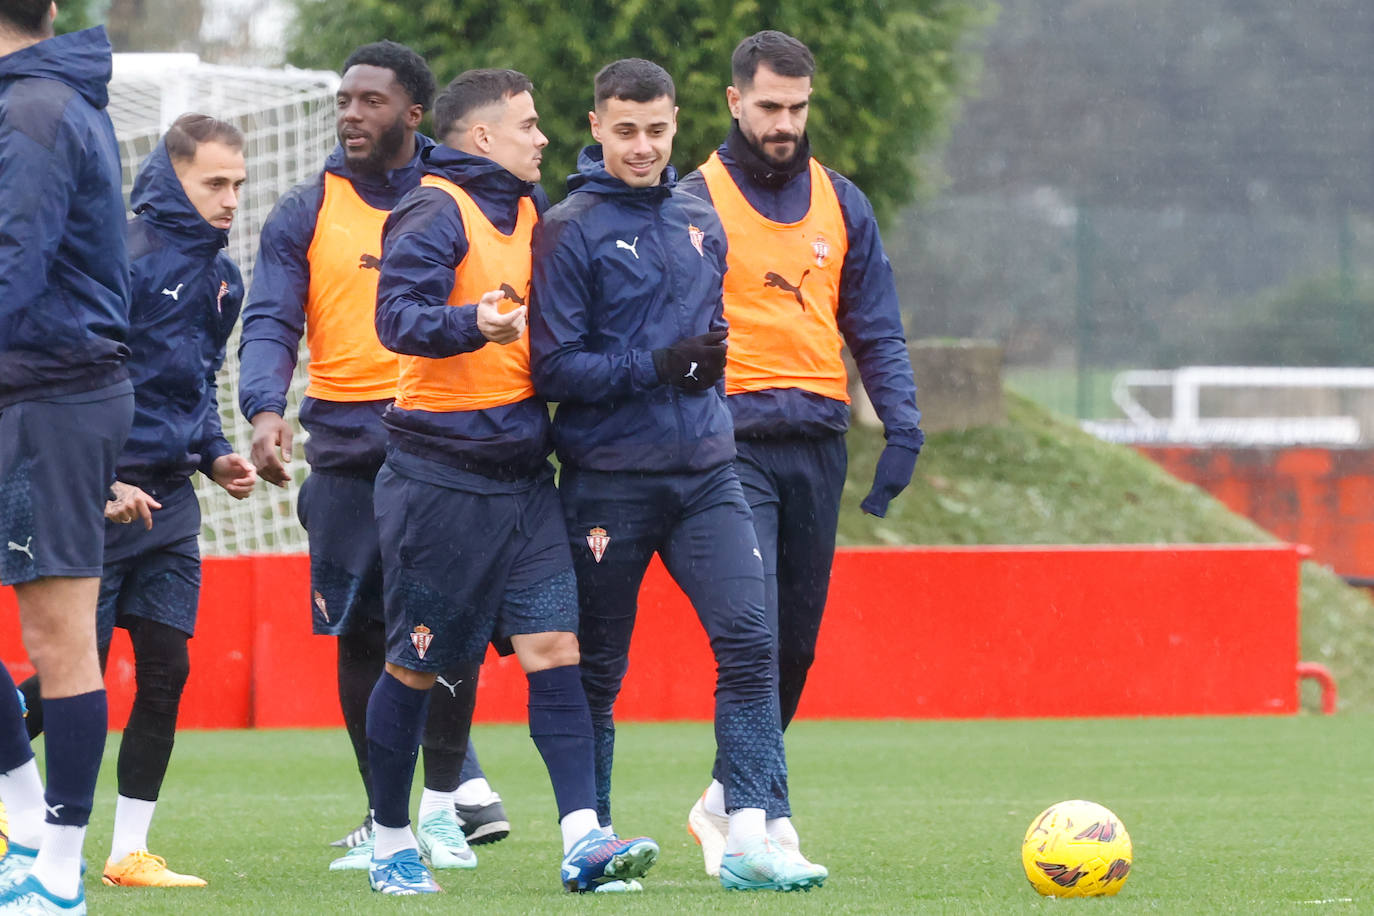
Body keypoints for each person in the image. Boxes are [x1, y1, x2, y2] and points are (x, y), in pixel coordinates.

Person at [529, 57, 827, 893]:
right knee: (597, 670)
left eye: (657, 130)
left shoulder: (700, 215)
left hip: (706, 472)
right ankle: (593, 843)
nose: (643, 146)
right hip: (607, 482)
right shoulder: (569, 226)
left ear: (676, 124)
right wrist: (658, 366)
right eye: (625, 130)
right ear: (595, 127)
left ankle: (750, 836)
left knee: (752, 642)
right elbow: (554, 368)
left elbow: (713, 337)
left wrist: (701, 380)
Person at [365, 67, 659, 896]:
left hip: (525, 479)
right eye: (527, 124)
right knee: (416, 669)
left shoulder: (531, 210)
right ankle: (390, 839)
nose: (542, 137)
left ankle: (582, 840)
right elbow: (396, 320)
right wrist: (474, 324)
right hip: (439, 482)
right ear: (483, 136)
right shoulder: (433, 207)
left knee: (555, 650)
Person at [236, 41, 504, 869]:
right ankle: (385, 815)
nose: (352, 113)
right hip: (348, 449)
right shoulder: (305, 207)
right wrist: (265, 407)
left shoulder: (459, 197)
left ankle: (452, 803)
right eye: (345, 100)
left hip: (446, 440)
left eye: (372, 102)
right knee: (362, 634)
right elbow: (274, 320)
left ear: (415, 114)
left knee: (451, 629)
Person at [677, 29, 924, 876]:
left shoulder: (843, 201)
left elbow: (876, 328)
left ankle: (721, 801)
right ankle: (766, 821)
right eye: (770, 106)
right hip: (727, 442)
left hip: (818, 440)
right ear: (734, 101)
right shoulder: (691, 202)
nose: (785, 122)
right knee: (753, 633)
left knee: (797, 645)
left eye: (798, 107)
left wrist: (904, 424)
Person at [15, 112, 256, 890]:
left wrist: (215, 454)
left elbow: (195, 389)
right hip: (94, 495)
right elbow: (73, 377)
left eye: (238, 185)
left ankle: (128, 852)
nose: (229, 199)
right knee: (68, 670)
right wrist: (98, 479)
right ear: (169, 176)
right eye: (213, 182)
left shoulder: (225, 280)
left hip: (171, 505)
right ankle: (24, 812)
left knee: (166, 668)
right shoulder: (119, 257)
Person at [0, 2, 134, 911]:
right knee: (56, 640)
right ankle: (22, 829)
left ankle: (55, 870)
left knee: (59, 642)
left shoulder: (34, 108)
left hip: (47, 395)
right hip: (31, 389)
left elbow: (15, 262)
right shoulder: (41, 102)